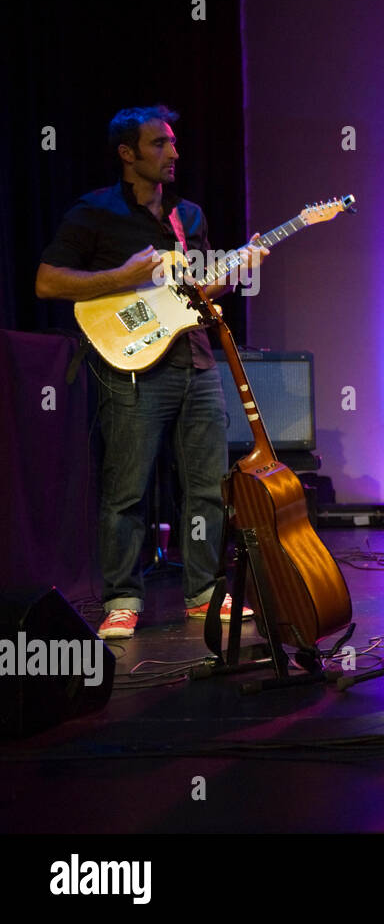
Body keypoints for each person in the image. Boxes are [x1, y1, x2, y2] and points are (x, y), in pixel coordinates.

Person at [35, 105, 265, 639]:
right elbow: (47, 282)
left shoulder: (190, 215)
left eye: (174, 143)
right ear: (127, 153)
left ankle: (205, 591)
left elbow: (200, 290)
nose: (174, 153)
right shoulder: (94, 212)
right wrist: (123, 274)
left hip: (198, 362)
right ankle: (122, 597)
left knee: (208, 488)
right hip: (133, 369)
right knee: (127, 491)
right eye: (159, 144)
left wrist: (237, 271)